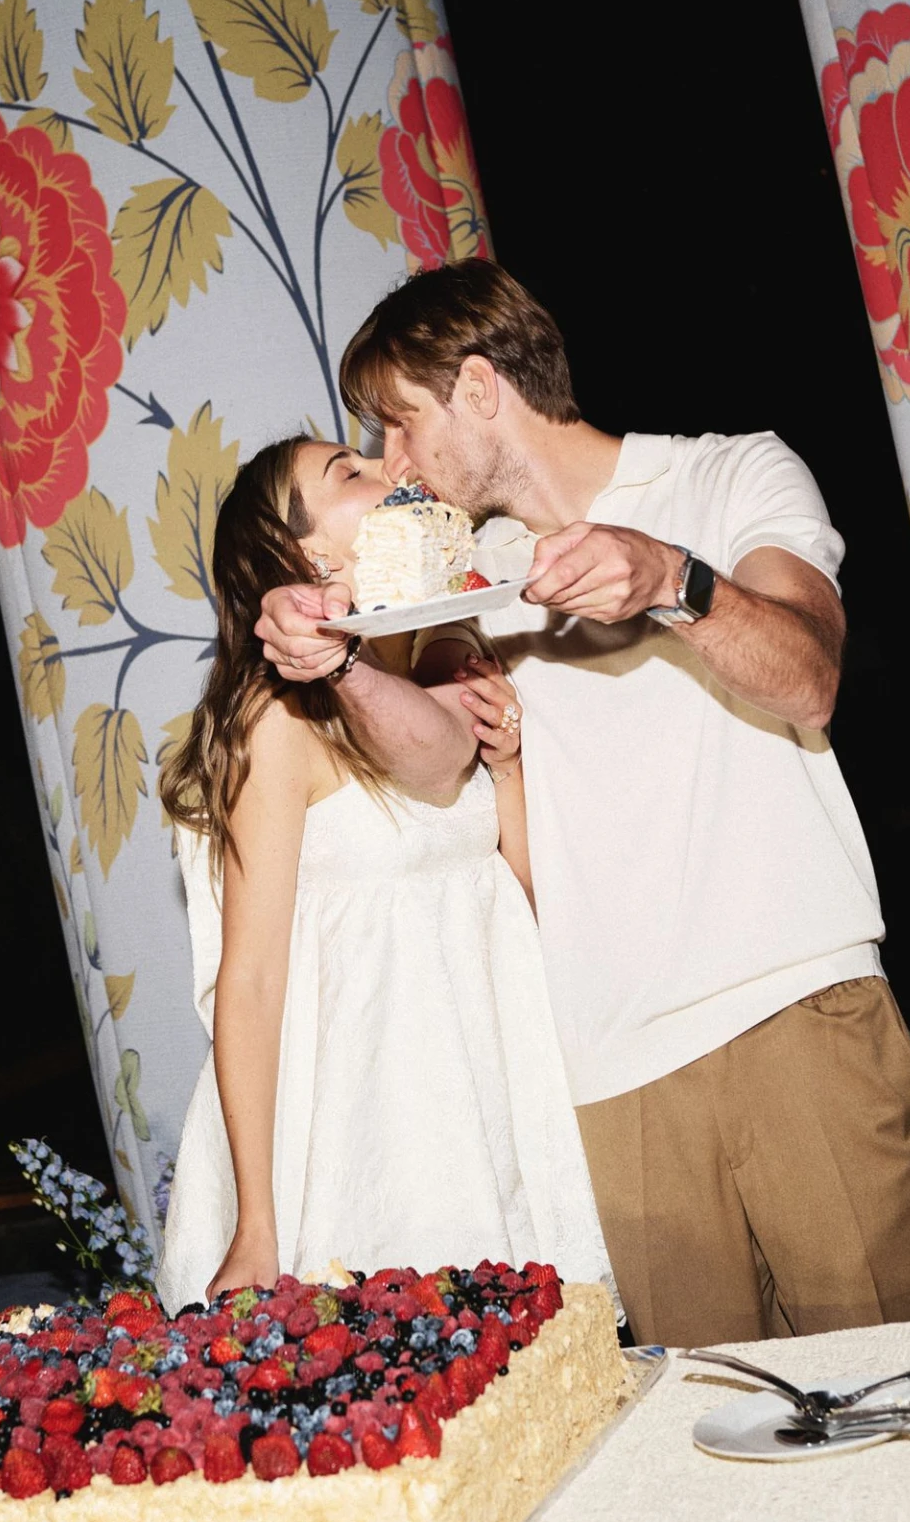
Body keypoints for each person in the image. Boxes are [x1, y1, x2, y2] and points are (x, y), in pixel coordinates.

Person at [255, 261, 910, 1346]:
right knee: (696, 1433)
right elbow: (436, 776)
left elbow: (809, 677)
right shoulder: (463, 578)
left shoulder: (728, 476)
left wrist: (676, 581)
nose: (392, 463)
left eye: (399, 424)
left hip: (792, 1013)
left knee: (893, 1387)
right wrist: (324, 647)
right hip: (609, 1075)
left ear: (479, 388)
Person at [154, 433, 610, 1315]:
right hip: (364, 1118)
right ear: (304, 557)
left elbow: (513, 904)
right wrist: (258, 1222)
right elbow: (250, 979)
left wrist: (509, 767)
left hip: (490, 1090)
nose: (389, 472)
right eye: (350, 473)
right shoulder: (276, 719)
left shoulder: (445, 651)